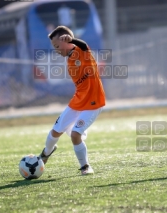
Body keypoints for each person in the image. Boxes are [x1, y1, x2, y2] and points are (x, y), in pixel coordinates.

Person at [39, 26, 106, 175]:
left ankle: (86, 167)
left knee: (75, 135)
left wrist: (72, 40)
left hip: (93, 104)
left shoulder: (82, 52)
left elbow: (82, 44)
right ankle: (45, 154)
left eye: (57, 46)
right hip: (77, 102)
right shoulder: (69, 59)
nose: (56, 50)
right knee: (55, 132)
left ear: (66, 41)